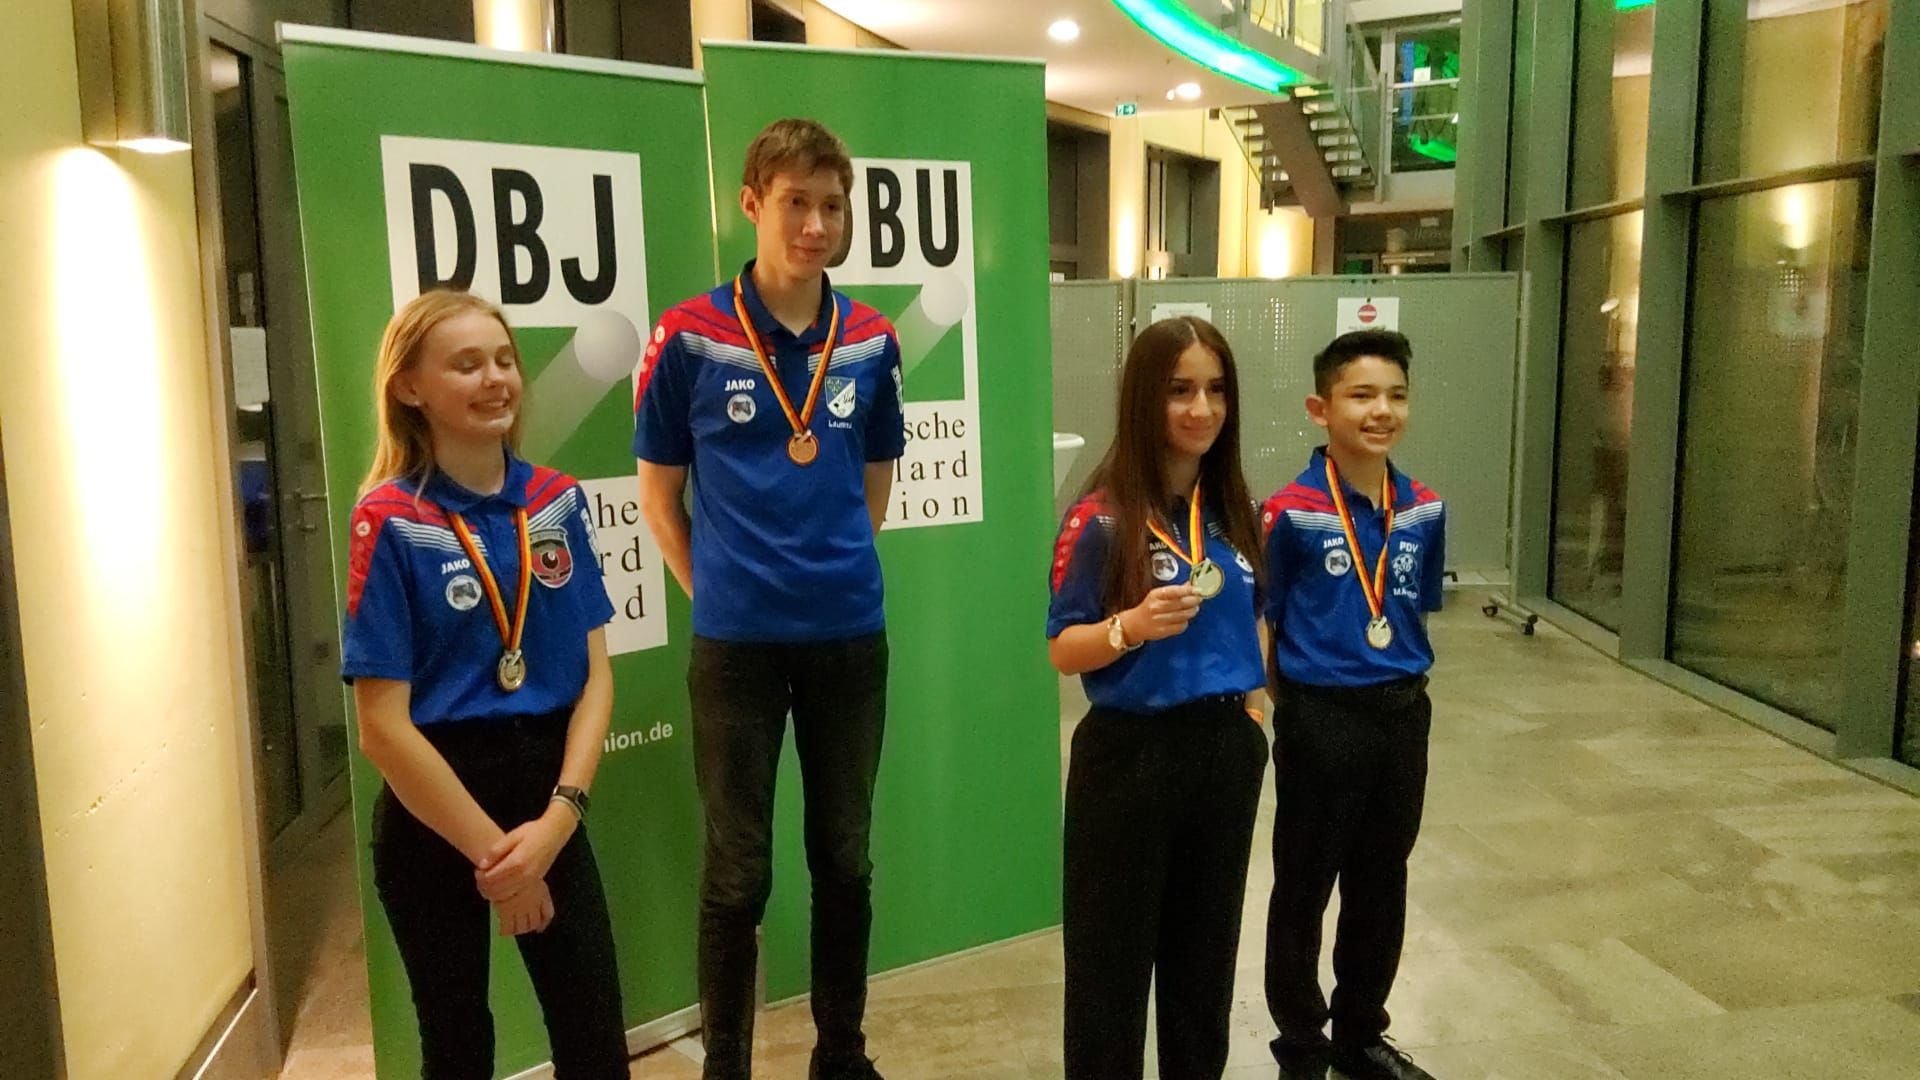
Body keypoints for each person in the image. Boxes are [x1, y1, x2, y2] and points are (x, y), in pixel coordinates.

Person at [632, 117, 905, 1080]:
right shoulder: (688, 337)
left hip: (848, 638)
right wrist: (718, 591)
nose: (817, 225)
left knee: (846, 858)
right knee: (736, 870)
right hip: (736, 650)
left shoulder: (870, 340)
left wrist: (828, 568)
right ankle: (727, 1065)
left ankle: (842, 1053)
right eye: (796, 203)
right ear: (751, 204)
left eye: (833, 205)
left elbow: (874, 483)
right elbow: (658, 496)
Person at [342, 290, 628, 1078]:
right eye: (466, 365)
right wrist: (502, 863)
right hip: (435, 809)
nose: (496, 378)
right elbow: (382, 729)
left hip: (548, 801)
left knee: (595, 1043)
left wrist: (557, 823)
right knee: (458, 1046)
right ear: (410, 387)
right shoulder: (389, 520)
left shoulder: (556, 501)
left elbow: (596, 679)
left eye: (504, 360)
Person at [1046, 316, 1269, 1080]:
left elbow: (1255, 614)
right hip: (1129, 759)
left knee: (1204, 972)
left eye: (1216, 390)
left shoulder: (1233, 511)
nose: (1201, 409)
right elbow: (1061, 648)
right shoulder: (1101, 518)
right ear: (1146, 398)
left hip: (1224, 754)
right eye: (1180, 390)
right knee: (1109, 977)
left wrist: (1252, 710)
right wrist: (1130, 628)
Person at [1260, 329, 1446, 1080]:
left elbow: (1415, 608)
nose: (1382, 411)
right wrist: (1289, 708)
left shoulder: (1424, 508)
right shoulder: (1289, 511)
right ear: (1321, 408)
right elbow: (1265, 617)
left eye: (1396, 395)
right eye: (1362, 395)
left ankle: (1361, 1034)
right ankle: (1301, 1042)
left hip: (1402, 714)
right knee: (1304, 884)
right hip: (1320, 716)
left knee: (1382, 877)